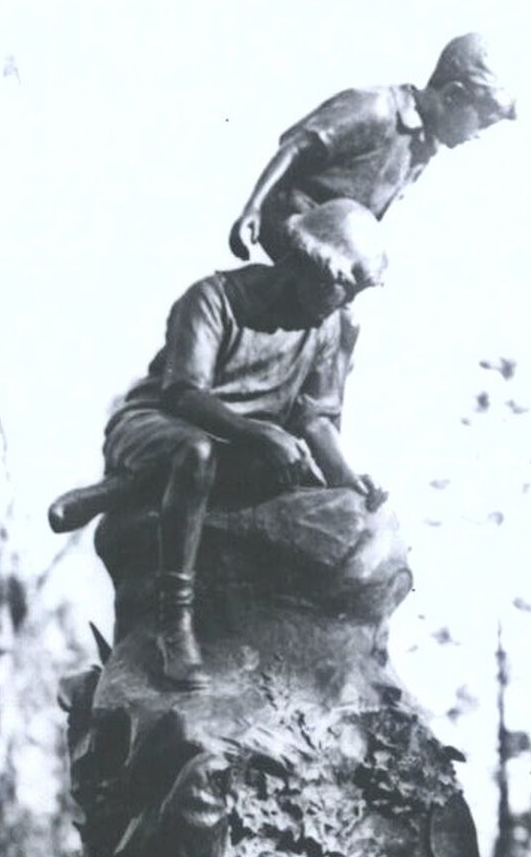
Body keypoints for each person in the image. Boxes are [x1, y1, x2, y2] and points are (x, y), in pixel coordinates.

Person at [47, 199, 387, 687]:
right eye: (342, 285)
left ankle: (122, 490)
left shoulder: (331, 327)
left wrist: (348, 481)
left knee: (303, 483)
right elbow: (183, 393)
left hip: (243, 451)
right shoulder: (215, 297)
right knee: (196, 453)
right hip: (158, 427)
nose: (345, 300)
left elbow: (316, 420)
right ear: (309, 263)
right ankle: (175, 624)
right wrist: (258, 431)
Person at [227, 33, 516, 264]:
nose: (478, 135)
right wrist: (252, 209)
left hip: (336, 244)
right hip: (292, 227)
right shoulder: (376, 109)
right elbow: (294, 147)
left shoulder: (424, 146)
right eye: (483, 122)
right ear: (453, 96)